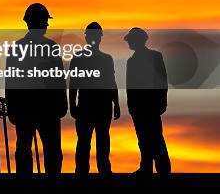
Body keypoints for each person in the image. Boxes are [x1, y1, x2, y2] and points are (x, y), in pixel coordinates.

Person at [5, 3, 67, 175]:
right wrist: (62, 104)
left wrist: (12, 108)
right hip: (42, 109)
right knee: (45, 150)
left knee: (38, 150)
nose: (46, 25)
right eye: (45, 21)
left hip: (34, 109)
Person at [69, 22, 120, 176]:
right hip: (87, 105)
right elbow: (73, 83)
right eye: (92, 35)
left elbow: (111, 81)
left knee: (101, 140)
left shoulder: (105, 59)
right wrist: (72, 104)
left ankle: (102, 170)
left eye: (95, 35)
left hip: (101, 106)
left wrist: (116, 103)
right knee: (85, 141)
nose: (93, 38)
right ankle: (83, 171)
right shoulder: (79, 58)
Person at [125, 27, 171, 176]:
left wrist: (162, 100)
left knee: (155, 137)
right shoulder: (131, 61)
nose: (129, 42)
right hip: (139, 106)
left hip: (150, 105)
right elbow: (130, 86)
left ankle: (163, 169)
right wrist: (131, 105)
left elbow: (162, 80)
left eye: (131, 40)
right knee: (143, 138)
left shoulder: (155, 57)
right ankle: (146, 168)